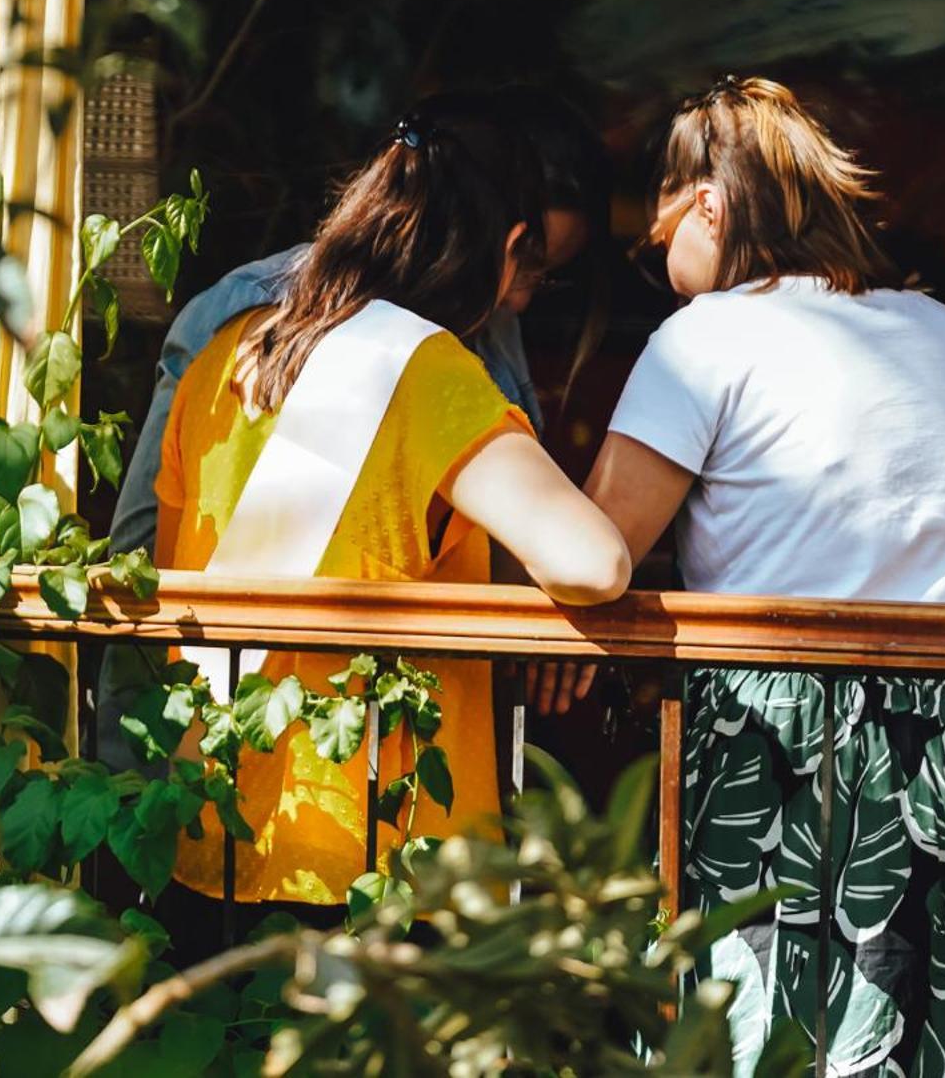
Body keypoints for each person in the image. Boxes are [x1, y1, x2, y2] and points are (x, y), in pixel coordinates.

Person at [585, 77, 945, 1077]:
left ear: (709, 203)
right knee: (944, 1036)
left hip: (784, 740)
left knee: (765, 1032)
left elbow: (596, 545)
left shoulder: (705, 337)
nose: (650, 239)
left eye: (659, 207)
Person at [150, 90, 630, 931]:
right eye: (529, 270)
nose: (521, 296)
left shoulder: (225, 356)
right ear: (512, 244)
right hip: (379, 854)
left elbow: (170, 571)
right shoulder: (428, 373)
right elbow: (594, 563)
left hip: (208, 828)